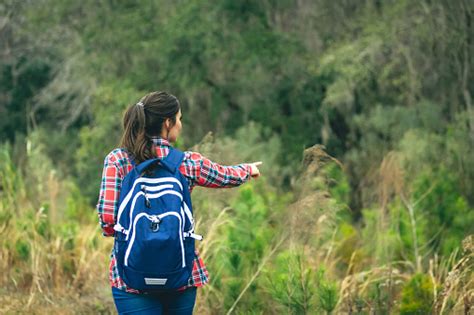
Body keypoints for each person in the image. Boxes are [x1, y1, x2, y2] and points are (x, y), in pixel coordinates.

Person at [96, 91, 262, 314]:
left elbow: (108, 222)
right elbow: (224, 176)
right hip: (180, 274)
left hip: (130, 277)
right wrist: (247, 170)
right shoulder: (187, 163)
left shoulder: (117, 161)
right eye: (180, 118)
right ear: (167, 122)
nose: (180, 124)